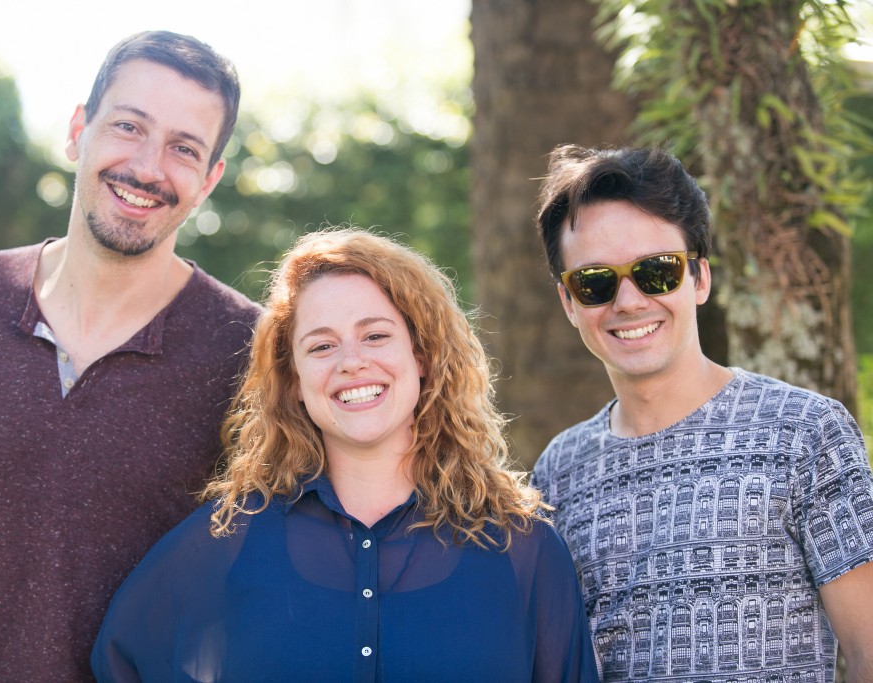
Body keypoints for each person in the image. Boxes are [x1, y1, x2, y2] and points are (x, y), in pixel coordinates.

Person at [0, 30, 261, 682]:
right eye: (127, 126)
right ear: (77, 131)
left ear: (208, 180)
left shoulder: (245, 347)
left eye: (183, 148)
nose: (147, 166)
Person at [90, 228, 600, 682]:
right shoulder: (228, 540)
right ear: (293, 383)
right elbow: (118, 661)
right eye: (321, 347)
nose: (353, 363)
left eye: (376, 335)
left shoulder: (522, 548)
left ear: (421, 356)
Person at [531, 144, 873, 683]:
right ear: (570, 303)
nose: (628, 301)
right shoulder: (558, 470)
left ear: (700, 279)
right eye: (595, 281)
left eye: (657, 271)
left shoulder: (807, 433)